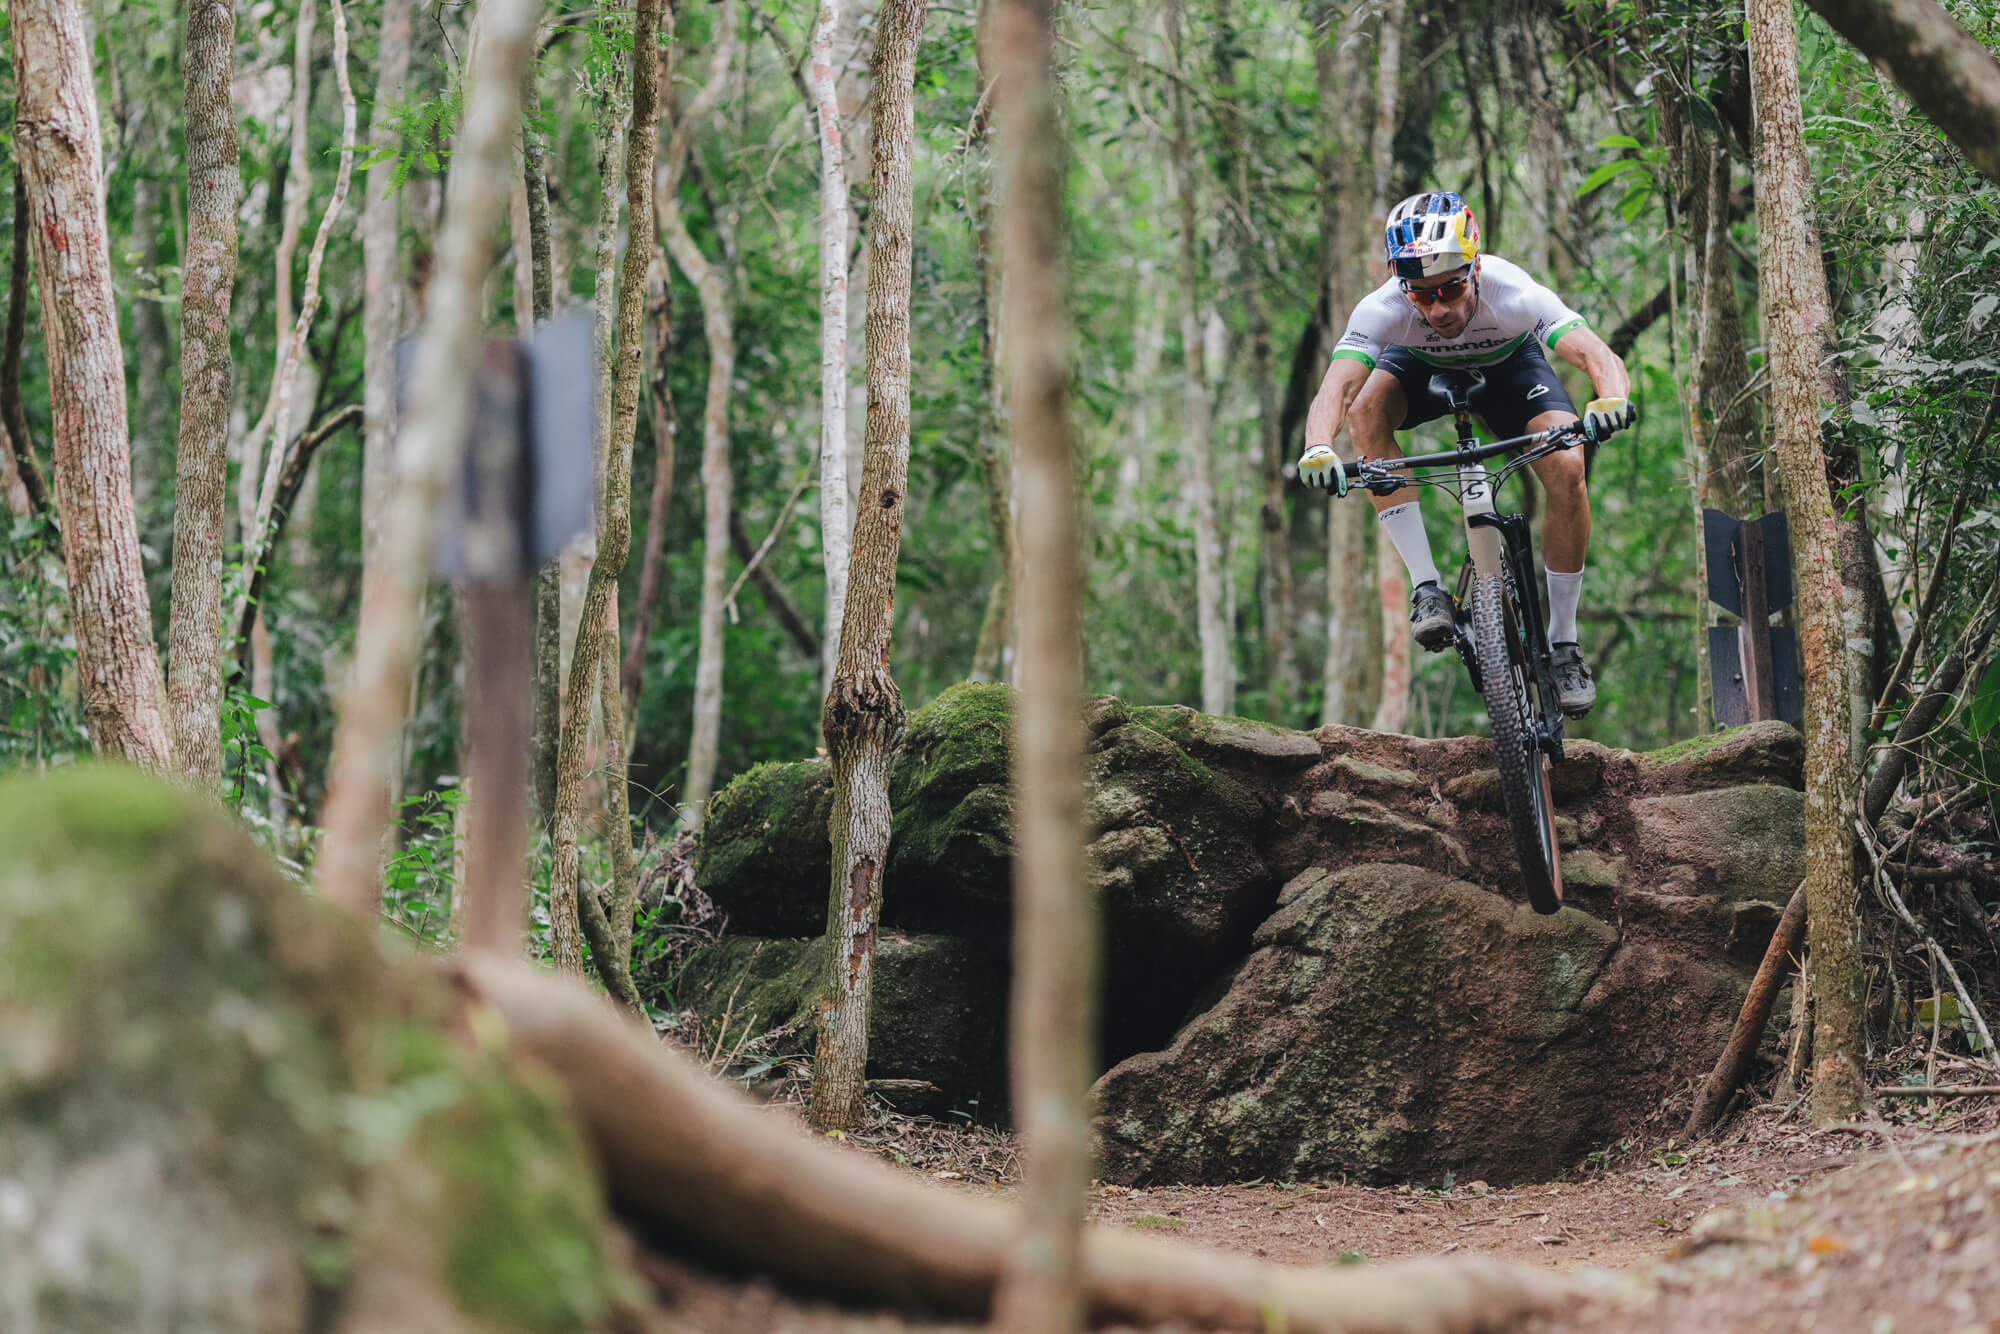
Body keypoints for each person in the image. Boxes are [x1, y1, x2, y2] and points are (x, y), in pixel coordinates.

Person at [1295, 190, 1634, 717]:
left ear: (1474, 267)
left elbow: (1593, 351)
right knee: (1365, 412)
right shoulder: (1384, 309)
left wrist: (1611, 399)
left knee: (1569, 466)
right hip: (1417, 364)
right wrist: (1318, 446)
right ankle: (1428, 589)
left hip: (1509, 366)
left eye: (1451, 289)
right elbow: (1337, 387)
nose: (1439, 309)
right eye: (1422, 296)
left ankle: (1563, 644)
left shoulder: (1514, 292)